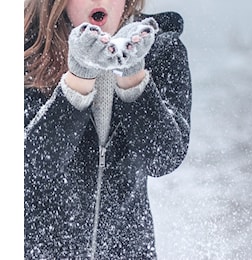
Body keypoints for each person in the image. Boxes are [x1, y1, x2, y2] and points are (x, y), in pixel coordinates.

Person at [24, 0, 192, 258]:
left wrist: (132, 75)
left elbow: (163, 158)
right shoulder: (26, 51)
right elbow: (34, 162)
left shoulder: (161, 52)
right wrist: (79, 76)